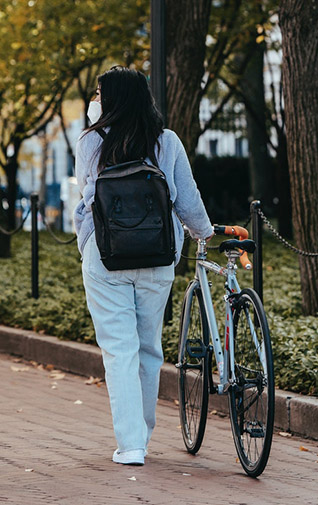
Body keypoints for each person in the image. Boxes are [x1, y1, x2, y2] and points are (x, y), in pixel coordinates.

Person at [73, 66, 213, 466]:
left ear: (112, 98)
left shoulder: (91, 141)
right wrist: (204, 232)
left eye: (99, 93)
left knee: (119, 350)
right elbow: (187, 198)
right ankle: (143, 436)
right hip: (157, 255)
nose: (95, 99)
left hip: (106, 255)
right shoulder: (167, 142)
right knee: (149, 347)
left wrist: (86, 244)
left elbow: (86, 199)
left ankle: (131, 444)